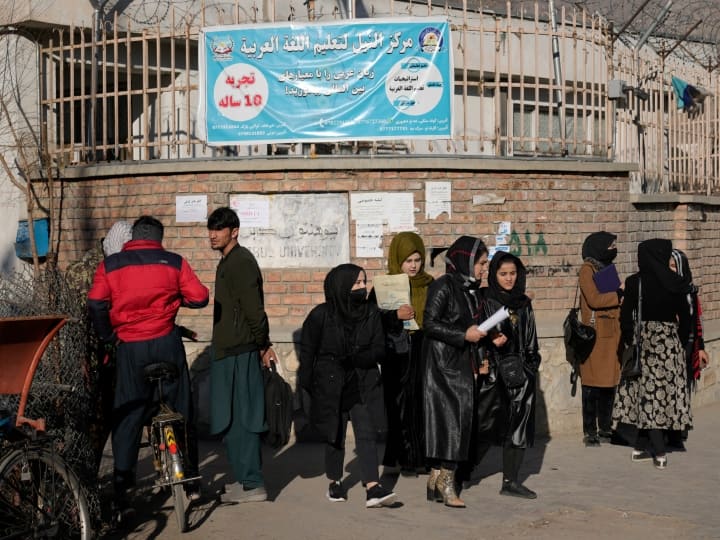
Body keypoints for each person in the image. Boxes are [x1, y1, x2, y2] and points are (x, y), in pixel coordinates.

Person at [88, 216, 208, 511]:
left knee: (128, 415)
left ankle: (123, 487)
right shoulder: (174, 262)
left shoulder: (110, 265)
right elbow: (200, 297)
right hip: (167, 343)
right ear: (159, 237)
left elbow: (95, 303)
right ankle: (191, 480)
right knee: (182, 410)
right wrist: (177, 299)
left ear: (133, 237)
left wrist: (108, 336)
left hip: (130, 348)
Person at [298, 263, 398, 508]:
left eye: (364, 282)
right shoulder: (321, 315)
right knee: (335, 435)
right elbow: (308, 353)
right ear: (342, 286)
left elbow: (379, 349)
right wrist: (309, 385)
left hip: (361, 382)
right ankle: (335, 482)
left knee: (366, 432)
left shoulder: (370, 312)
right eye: (357, 283)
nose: (363, 287)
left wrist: (358, 358)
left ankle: (372, 487)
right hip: (330, 384)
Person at [207, 207, 277, 504]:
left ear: (234, 231)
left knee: (244, 419)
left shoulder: (241, 262)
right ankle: (245, 480)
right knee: (231, 420)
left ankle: (253, 483)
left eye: (219, 230)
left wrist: (263, 345)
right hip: (228, 351)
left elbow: (254, 310)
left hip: (241, 351)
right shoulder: (228, 261)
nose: (213, 235)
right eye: (210, 229)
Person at [422, 236, 491, 508]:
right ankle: (446, 483)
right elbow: (429, 323)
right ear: (466, 260)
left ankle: (435, 481)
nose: (484, 269)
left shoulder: (469, 288)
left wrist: (481, 353)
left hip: (461, 362)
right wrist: (463, 335)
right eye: (481, 263)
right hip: (443, 365)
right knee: (452, 422)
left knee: (452, 421)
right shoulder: (444, 285)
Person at [613, 239, 692, 469]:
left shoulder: (634, 282)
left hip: (645, 345)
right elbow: (686, 318)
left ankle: (654, 450)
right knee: (660, 395)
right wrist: (679, 343)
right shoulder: (676, 282)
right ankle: (647, 448)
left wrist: (631, 339)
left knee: (648, 395)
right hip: (669, 346)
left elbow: (625, 318)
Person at [67, 220, 133, 472]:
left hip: (117, 353)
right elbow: (74, 323)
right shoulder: (81, 271)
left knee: (120, 417)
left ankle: (121, 478)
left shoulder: (123, 266)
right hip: (91, 358)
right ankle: (87, 478)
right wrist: (80, 359)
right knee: (93, 423)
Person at [475, 251, 540, 500]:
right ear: (494, 274)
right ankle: (459, 472)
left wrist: (530, 368)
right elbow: (476, 333)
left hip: (520, 374)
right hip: (493, 374)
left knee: (518, 429)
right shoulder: (486, 300)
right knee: (484, 426)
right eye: (503, 274)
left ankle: (510, 481)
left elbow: (531, 338)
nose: (509, 279)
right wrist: (491, 341)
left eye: (513, 273)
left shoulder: (523, 302)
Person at [376, 231, 433, 475]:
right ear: (397, 260)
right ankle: (401, 459)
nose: (413, 265)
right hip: (396, 353)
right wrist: (394, 316)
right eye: (408, 260)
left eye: (417, 260)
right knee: (398, 406)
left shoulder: (430, 285)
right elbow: (371, 320)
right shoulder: (383, 287)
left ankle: (421, 458)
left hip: (423, 350)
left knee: (421, 404)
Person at [577, 232, 623, 447]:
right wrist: (619, 295)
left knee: (609, 384)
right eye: (610, 246)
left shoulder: (606, 267)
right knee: (592, 384)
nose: (613, 249)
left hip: (612, 334)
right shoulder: (588, 269)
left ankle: (605, 428)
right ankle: (590, 431)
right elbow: (595, 299)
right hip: (596, 336)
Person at [667, 248, 710, 449]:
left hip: (688, 345)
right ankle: (668, 429)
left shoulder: (691, 291)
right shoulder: (664, 288)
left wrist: (700, 347)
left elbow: (696, 322)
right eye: (668, 266)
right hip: (668, 344)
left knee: (683, 387)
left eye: (674, 266)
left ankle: (679, 430)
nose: (671, 270)